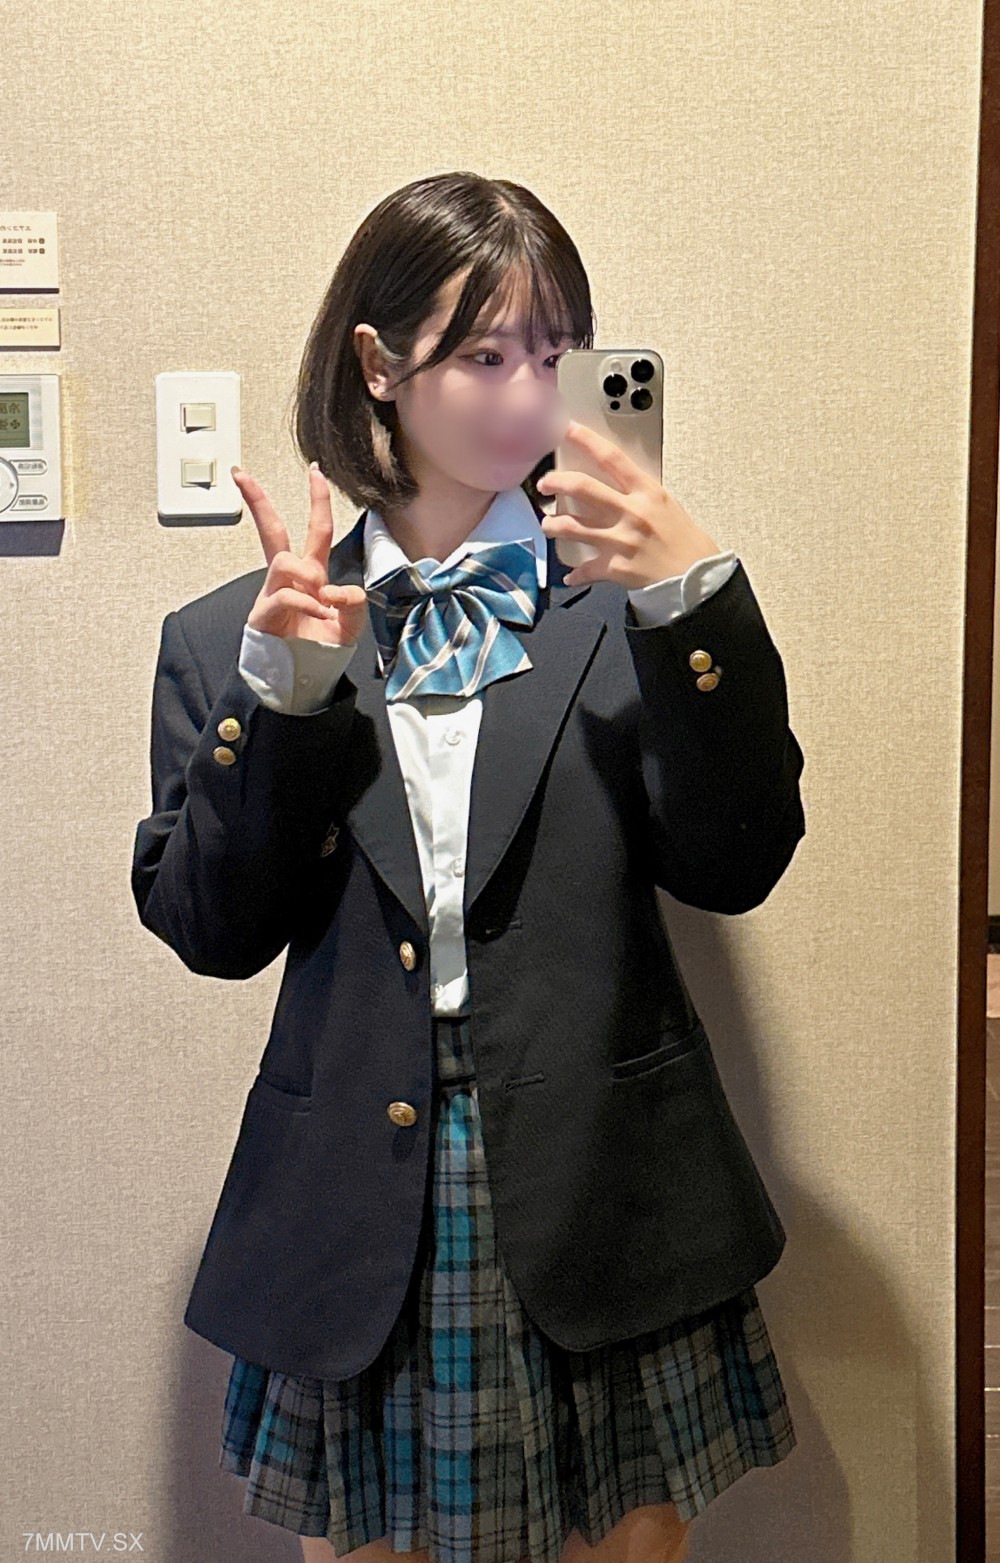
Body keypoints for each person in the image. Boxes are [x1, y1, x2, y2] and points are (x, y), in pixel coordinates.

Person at [131, 171, 806, 1563]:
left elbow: (737, 865)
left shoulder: (626, 605)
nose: (528, 397)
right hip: (354, 1202)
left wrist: (692, 604)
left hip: (609, 1181)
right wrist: (288, 695)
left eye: (555, 356)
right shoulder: (232, 635)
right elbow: (212, 930)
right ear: (379, 366)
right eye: (485, 355)